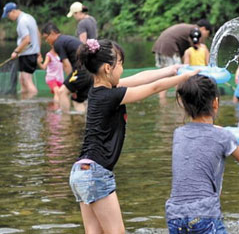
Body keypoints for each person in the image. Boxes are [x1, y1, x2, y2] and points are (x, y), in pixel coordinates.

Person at [69, 38, 198, 233]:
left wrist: (172, 70)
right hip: (96, 173)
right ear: (107, 68)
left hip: (80, 171)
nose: (122, 69)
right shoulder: (112, 96)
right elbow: (154, 88)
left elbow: (141, 77)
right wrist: (184, 78)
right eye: (120, 64)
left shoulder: (98, 90)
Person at [166, 74, 239, 233]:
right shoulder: (223, 137)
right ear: (215, 103)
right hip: (203, 212)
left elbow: (201, 137)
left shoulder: (178, 133)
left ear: (185, 105)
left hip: (174, 213)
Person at [152, 19, 212, 99]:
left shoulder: (190, 30)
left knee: (165, 75)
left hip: (160, 46)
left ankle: (162, 100)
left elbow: (186, 55)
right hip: (169, 47)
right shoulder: (195, 31)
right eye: (207, 34)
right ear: (203, 29)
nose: (205, 37)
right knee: (177, 75)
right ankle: (181, 99)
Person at [41, 22, 92, 113]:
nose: (46, 40)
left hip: (80, 72)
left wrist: (69, 82)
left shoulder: (58, 43)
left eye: (46, 37)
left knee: (62, 92)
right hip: (90, 71)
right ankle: (82, 123)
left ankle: (65, 121)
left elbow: (66, 65)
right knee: (77, 100)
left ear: (52, 33)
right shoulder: (66, 39)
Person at [2, 2, 41, 96]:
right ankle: (24, 104)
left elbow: (27, 39)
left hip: (27, 54)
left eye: (8, 14)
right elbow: (38, 34)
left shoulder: (22, 22)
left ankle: (33, 103)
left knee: (27, 80)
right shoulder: (29, 17)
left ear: (13, 11)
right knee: (22, 79)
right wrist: (38, 51)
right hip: (31, 53)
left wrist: (16, 51)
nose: (8, 17)